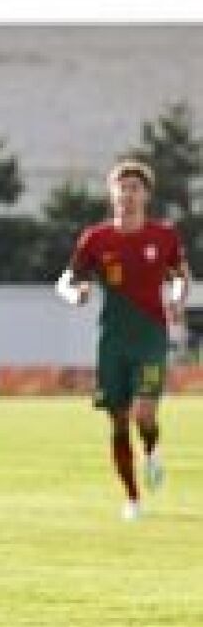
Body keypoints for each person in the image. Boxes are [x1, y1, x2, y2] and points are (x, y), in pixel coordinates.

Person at [54, 160, 190, 520]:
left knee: (144, 412)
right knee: (117, 421)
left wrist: (177, 297)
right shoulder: (95, 239)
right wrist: (76, 293)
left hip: (150, 337)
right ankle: (132, 499)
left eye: (135, 188)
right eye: (122, 187)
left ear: (146, 195)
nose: (127, 194)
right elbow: (65, 281)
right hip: (113, 341)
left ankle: (152, 450)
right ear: (112, 193)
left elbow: (179, 276)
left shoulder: (163, 236)